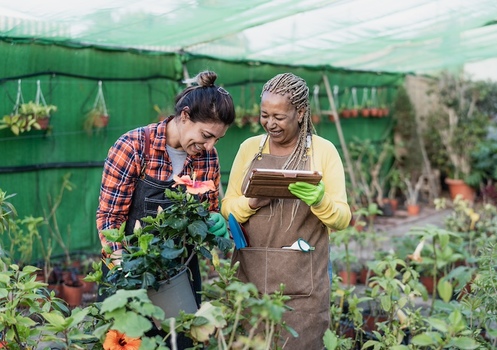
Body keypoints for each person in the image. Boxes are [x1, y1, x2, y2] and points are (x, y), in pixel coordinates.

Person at [96, 70, 235, 348]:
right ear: (184, 116)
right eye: (206, 135)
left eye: (216, 140)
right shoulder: (134, 147)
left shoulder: (208, 157)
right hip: (131, 263)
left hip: (180, 268)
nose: (209, 146)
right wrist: (125, 270)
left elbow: (207, 209)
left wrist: (213, 219)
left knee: (182, 340)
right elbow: (110, 218)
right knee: (128, 340)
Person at [221, 72, 351, 349]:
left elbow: (342, 218)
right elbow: (227, 207)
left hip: (303, 279)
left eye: (279, 117)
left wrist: (319, 201)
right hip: (250, 272)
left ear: (301, 112)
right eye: (264, 115)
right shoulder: (249, 148)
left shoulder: (323, 151)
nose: (270, 123)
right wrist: (251, 203)